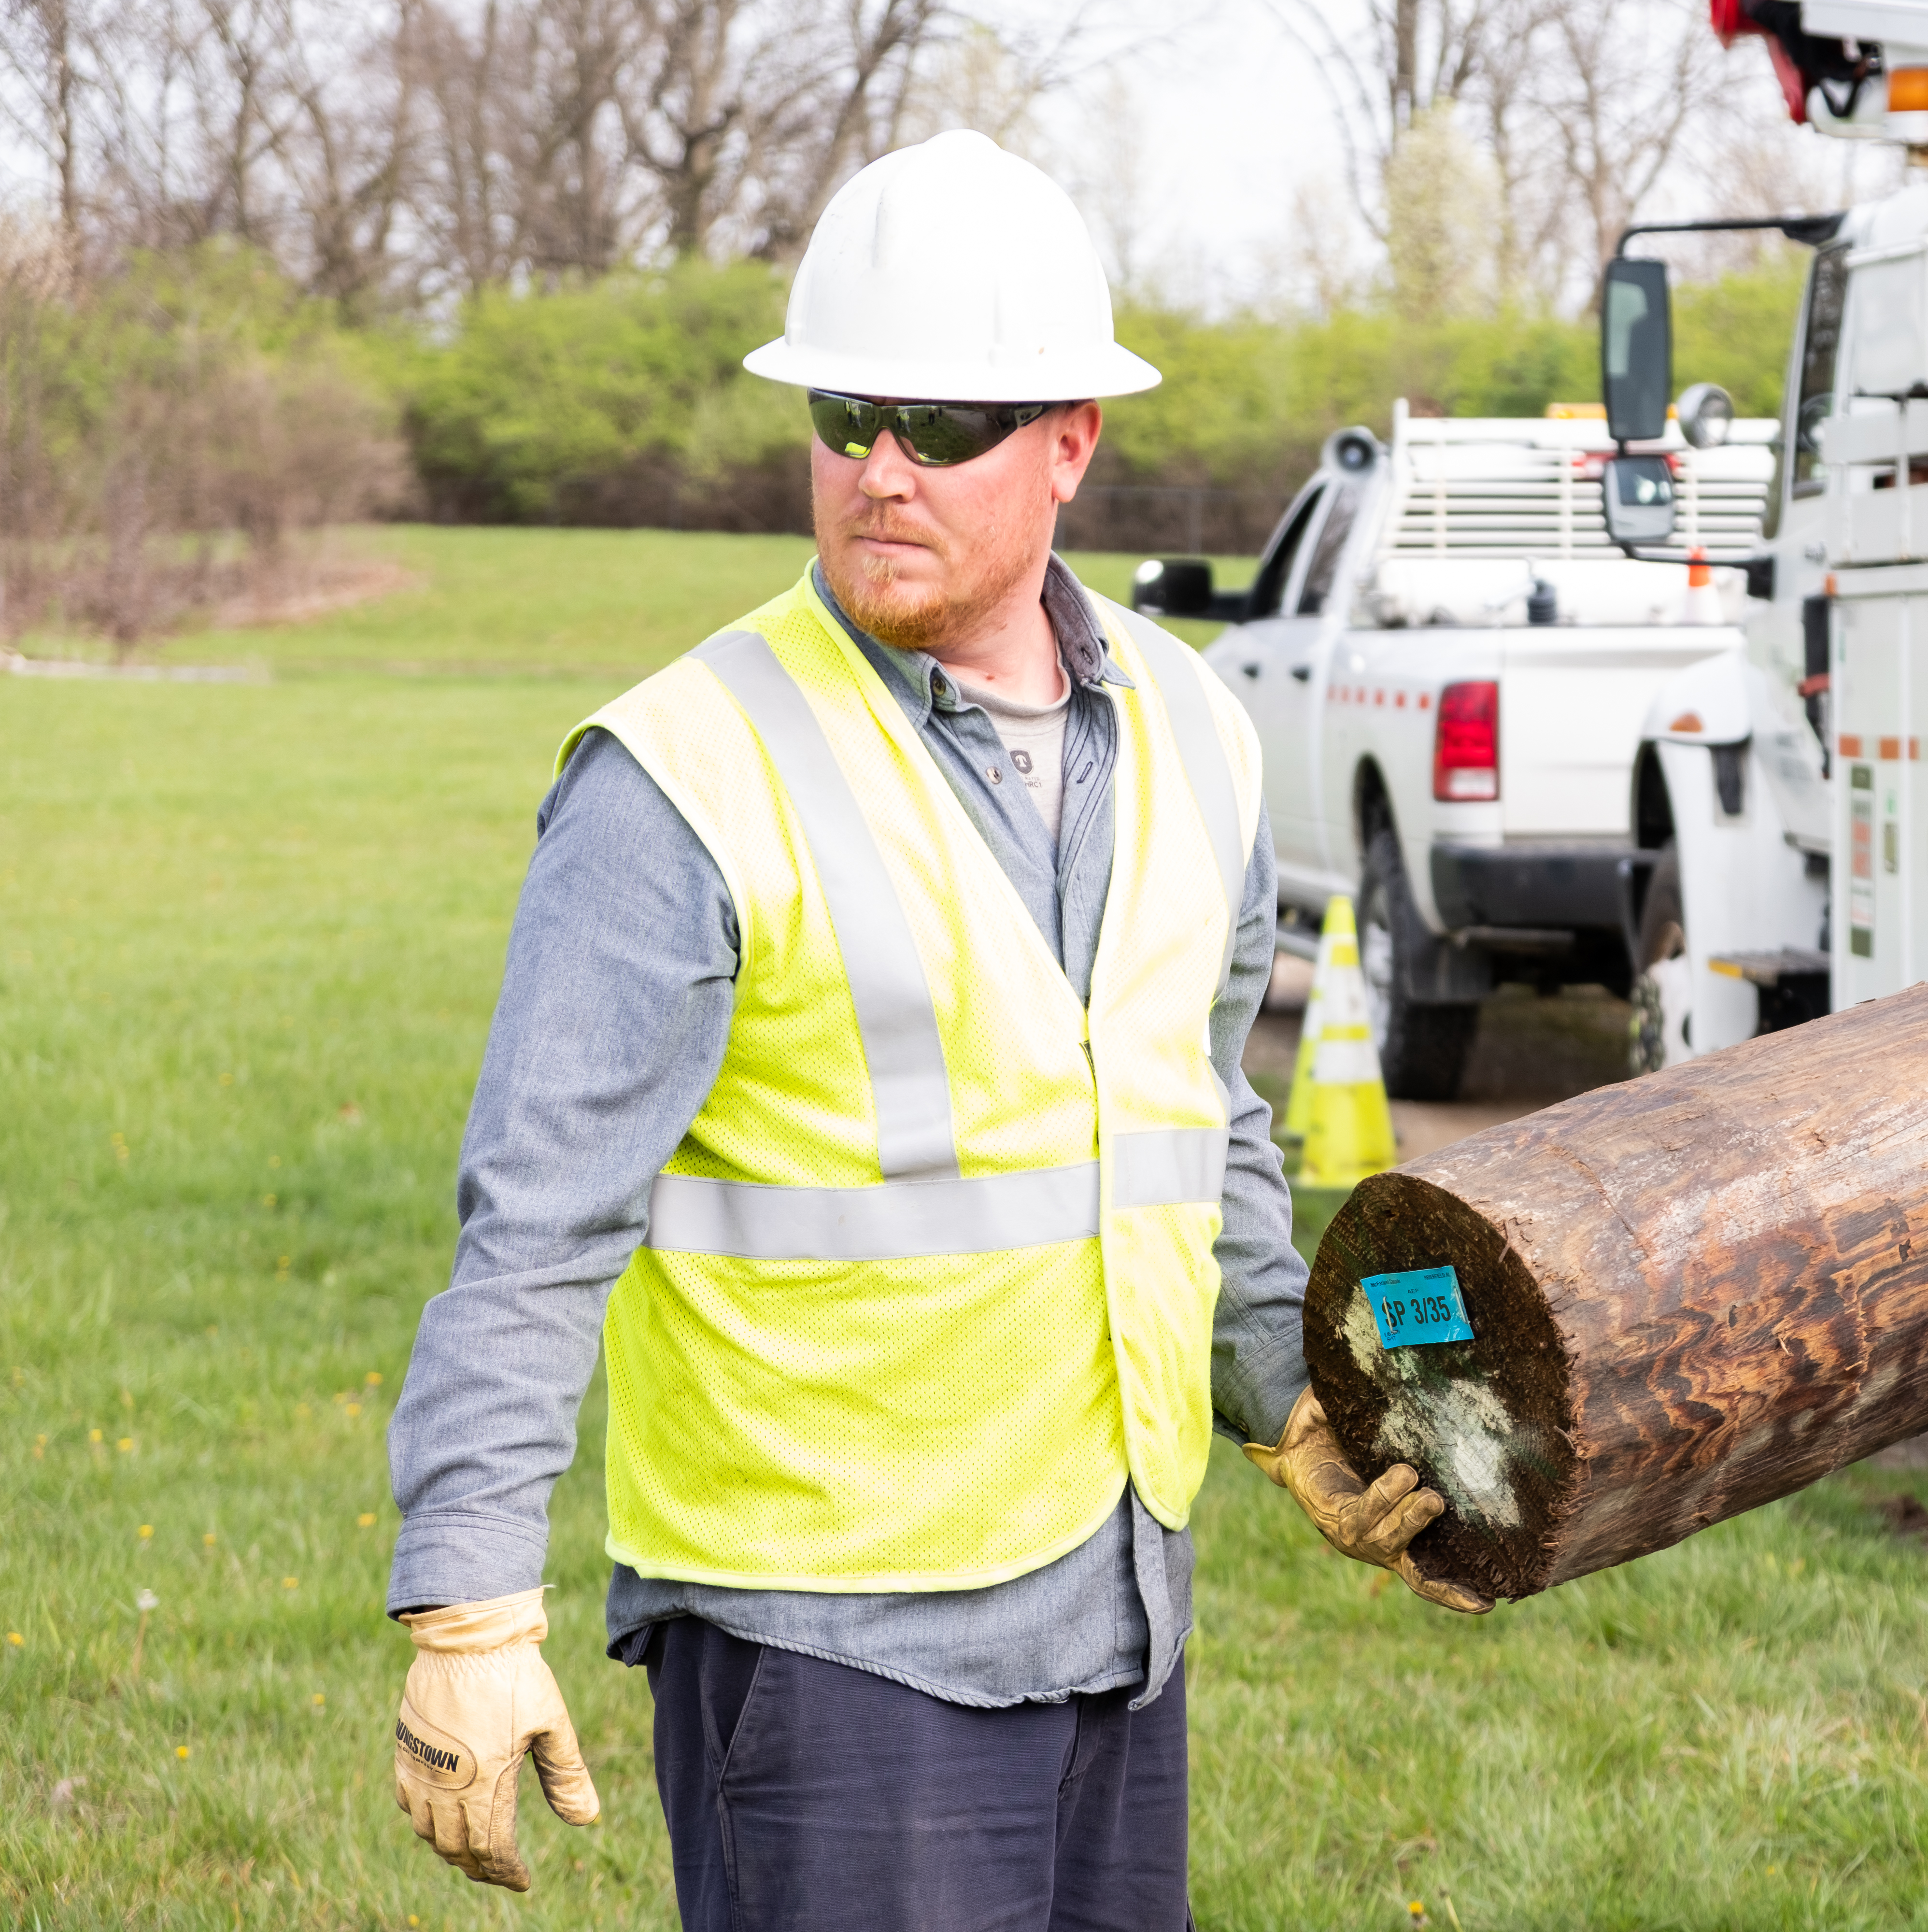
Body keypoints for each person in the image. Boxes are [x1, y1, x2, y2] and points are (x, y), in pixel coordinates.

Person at [381, 129, 1485, 1931]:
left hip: (1118, 1613)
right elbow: (533, 1222)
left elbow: (1201, 1117)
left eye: (947, 425)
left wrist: (1291, 1392)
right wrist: (470, 1603)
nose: (881, 469)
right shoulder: (681, 772)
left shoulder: (1199, 731)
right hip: (829, 1648)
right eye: (844, 413)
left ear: (1070, 444)